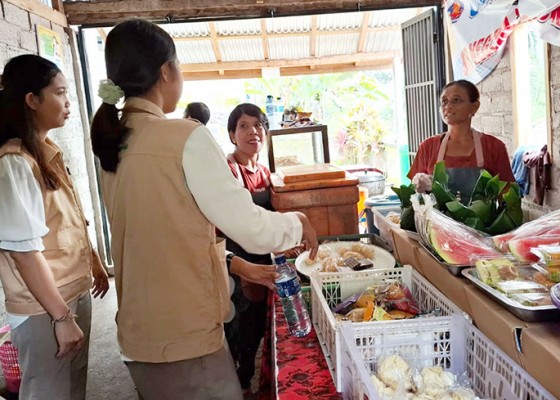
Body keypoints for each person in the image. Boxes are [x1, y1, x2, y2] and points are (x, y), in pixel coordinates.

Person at [90, 19, 318, 400]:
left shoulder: (113, 143)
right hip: (184, 336)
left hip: (138, 332)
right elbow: (250, 228)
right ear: (166, 71)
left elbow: (169, 234)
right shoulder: (184, 137)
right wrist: (298, 222)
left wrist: (239, 266)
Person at [0, 54, 110, 399]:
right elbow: (24, 253)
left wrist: (92, 261)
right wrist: (61, 318)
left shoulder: (46, 151)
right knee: (49, 391)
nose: (67, 103)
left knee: (72, 388)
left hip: (68, 294)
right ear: (32, 100)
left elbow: (68, 218)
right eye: (60, 93)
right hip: (43, 308)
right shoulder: (14, 163)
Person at [220, 103, 275, 397]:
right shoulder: (229, 169)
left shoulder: (263, 171)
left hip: (262, 255)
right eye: (243, 126)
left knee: (260, 324)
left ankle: (248, 380)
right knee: (242, 329)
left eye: (258, 125)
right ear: (232, 135)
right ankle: (240, 385)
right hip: (237, 257)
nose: (252, 131)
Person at [408, 79, 515, 203]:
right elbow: (412, 194)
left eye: (456, 100)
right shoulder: (428, 147)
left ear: (474, 106)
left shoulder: (494, 147)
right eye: (444, 101)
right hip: (437, 222)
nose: (448, 106)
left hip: (482, 222)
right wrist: (419, 185)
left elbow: (508, 196)